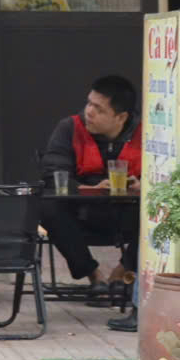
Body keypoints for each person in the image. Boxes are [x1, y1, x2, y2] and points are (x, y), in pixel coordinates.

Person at [40, 74, 143, 303]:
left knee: (161, 210)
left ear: (121, 117)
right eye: (89, 103)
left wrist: (142, 186)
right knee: (47, 207)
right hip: (82, 214)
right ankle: (94, 276)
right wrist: (88, 188)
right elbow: (52, 174)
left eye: (99, 109)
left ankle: (122, 273)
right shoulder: (69, 128)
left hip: (129, 214)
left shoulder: (146, 133)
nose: (89, 112)